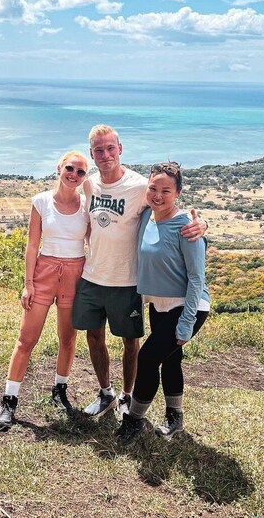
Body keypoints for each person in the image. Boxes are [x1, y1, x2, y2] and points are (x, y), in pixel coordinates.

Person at [72, 126, 206, 419]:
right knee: (94, 338)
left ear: (120, 148)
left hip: (127, 281)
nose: (105, 155)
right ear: (92, 153)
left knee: (131, 344)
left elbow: (171, 208)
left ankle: (127, 397)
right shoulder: (89, 185)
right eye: (98, 150)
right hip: (93, 275)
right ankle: (105, 393)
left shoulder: (137, 187)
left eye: (110, 148)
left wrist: (202, 224)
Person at [0, 151, 91, 432]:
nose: (74, 174)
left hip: (75, 273)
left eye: (81, 172)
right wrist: (28, 283)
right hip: (44, 272)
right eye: (69, 168)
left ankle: (59, 390)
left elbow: (95, 241)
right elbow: (32, 246)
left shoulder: (87, 206)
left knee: (68, 338)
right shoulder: (41, 201)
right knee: (26, 339)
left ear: (85, 177)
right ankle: (9, 400)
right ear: (59, 168)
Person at [116, 161, 210, 445]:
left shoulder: (186, 227)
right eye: (153, 188)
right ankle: (174, 416)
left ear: (178, 193)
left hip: (187, 307)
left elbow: (196, 279)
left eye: (166, 190)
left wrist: (185, 324)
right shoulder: (147, 217)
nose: (158, 195)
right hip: (159, 305)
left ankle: (134, 421)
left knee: (146, 359)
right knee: (170, 361)